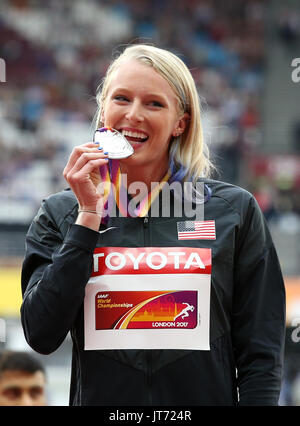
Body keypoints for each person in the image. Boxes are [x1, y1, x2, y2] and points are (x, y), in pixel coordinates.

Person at [21, 44, 286, 406]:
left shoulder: (234, 211)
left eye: (154, 104)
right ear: (103, 112)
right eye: (121, 98)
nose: (134, 115)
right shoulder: (61, 213)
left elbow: (261, 354)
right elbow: (41, 334)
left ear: (181, 122)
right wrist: (88, 216)